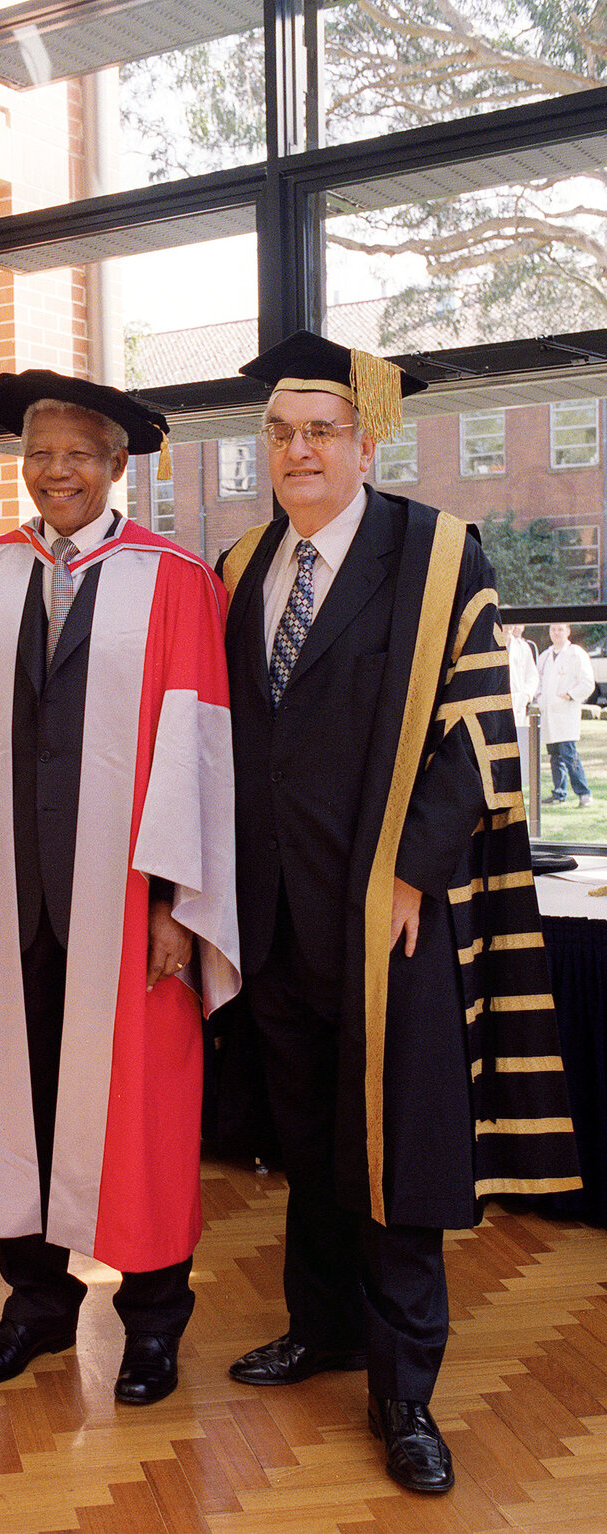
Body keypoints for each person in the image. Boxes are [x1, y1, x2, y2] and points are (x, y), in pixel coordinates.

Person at [218, 332, 580, 1494]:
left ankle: (403, 1390)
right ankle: (318, 1328)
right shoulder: (235, 568)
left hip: (387, 914)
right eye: (279, 431)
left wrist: (416, 874)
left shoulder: (435, 555)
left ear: (367, 440)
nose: (298, 449)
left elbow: (474, 730)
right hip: (272, 911)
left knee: (394, 1148)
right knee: (307, 1134)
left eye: (321, 429)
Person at [0, 371, 239, 1405]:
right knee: (22, 1092)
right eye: (40, 452)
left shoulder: (175, 576)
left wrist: (173, 905)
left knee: (141, 1105)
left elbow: (195, 749)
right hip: (5, 886)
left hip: (123, 894)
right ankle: (37, 1308)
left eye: (77, 453)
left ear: (115, 466)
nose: (56, 469)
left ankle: (151, 1320)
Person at [537, 622, 595, 805]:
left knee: (569, 755)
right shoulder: (545, 656)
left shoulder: (576, 654)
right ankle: (559, 793)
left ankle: (584, 793)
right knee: (555, 756)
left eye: (560, 629)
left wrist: (569, 695)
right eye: (553, 629)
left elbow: (587, 682)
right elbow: (537, 681)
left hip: (566, 712)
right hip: (549, 713)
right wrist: (539, 697)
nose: (556, 633)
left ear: (568, 631)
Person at [505, 623, 539, 779]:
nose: (507, 627)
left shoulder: (523, 647)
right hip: (497, 703)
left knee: (517, 747)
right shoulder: (489, 643)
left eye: (510, 624)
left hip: (518, 703)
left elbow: (532, 676)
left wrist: (526, 696)